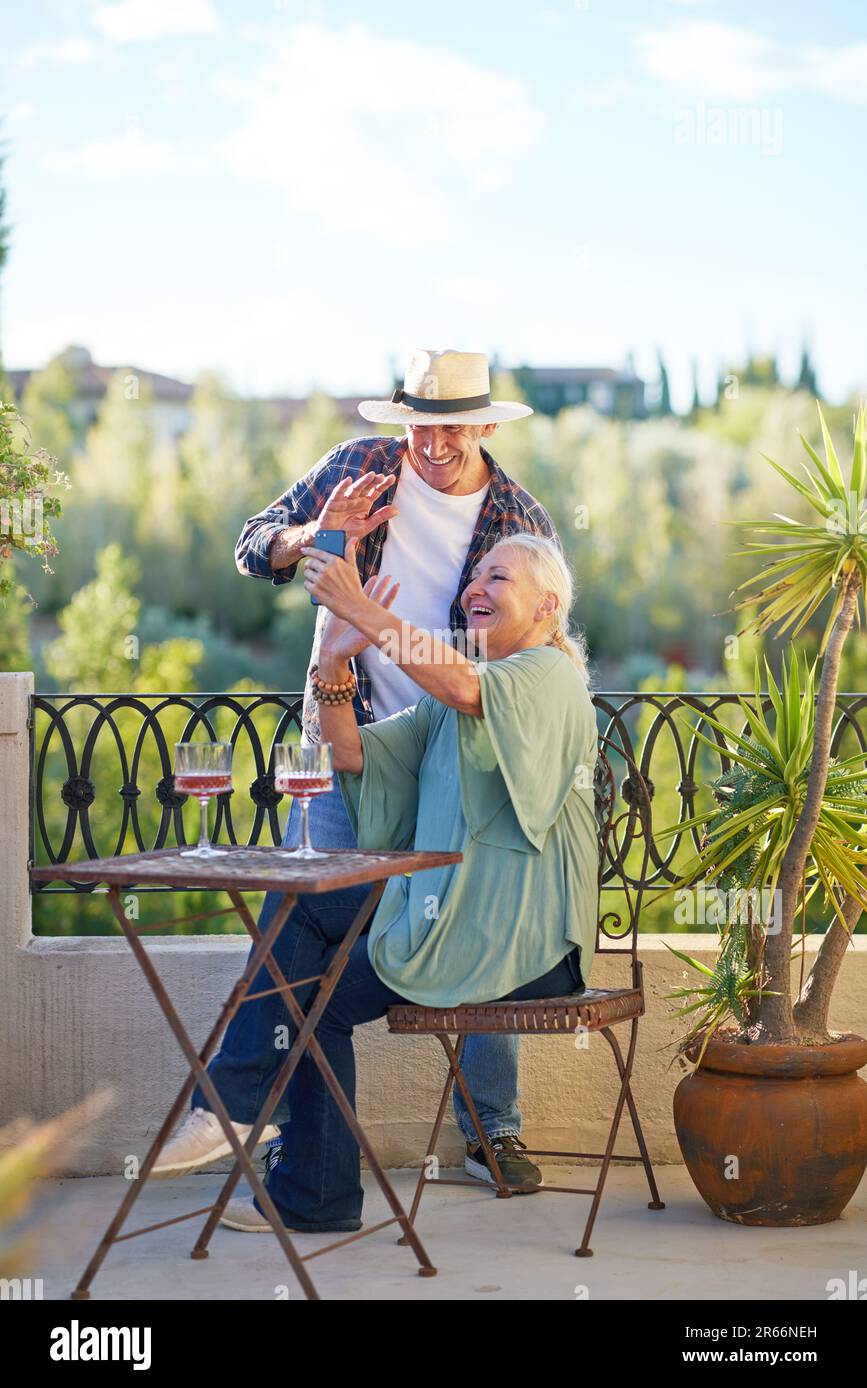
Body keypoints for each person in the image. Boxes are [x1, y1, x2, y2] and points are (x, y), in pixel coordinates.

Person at [154, 349, 567, 1198]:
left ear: (484, 426)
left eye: (451, 426)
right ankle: (295, 1146)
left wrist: (365, 614)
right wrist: (314, 539)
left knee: (461, 886)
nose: (433, 441)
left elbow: (518, 651)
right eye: (419, 423)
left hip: (458, 736)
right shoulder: (357, 468)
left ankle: (487, 1129)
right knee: (305, 898)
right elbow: (253, 546)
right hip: (357, 728)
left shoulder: (518, 516)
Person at [216, 531, 598, 1232]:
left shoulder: (545, 675)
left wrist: (361, 611)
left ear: (546, 606)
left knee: (316, 998)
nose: (475, 588)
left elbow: (460, 682)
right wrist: (334, 662)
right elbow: (351, 751)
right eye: (474, 575)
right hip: (455, 914)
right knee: (304, 901)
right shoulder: (453, 701)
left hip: (525, 938)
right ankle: (244, 1117)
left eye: (498, 577)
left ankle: (275, 1151)